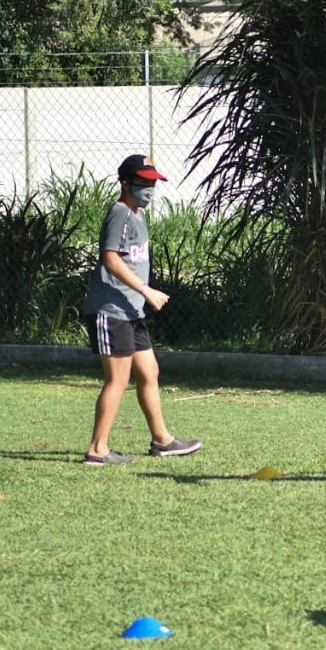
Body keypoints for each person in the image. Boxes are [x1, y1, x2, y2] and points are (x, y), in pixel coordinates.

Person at [81, 154, 203, 466]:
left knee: (149, 372)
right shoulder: (120, 213)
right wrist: (146, 290)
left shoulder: (138, 214)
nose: (149, 188)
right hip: (112, 310)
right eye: (143, 183)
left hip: (132, 312)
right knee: (118, 380)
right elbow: (111, 259)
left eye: (152, 183)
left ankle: (162, 440)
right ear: (125, 183)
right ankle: (98, 450)